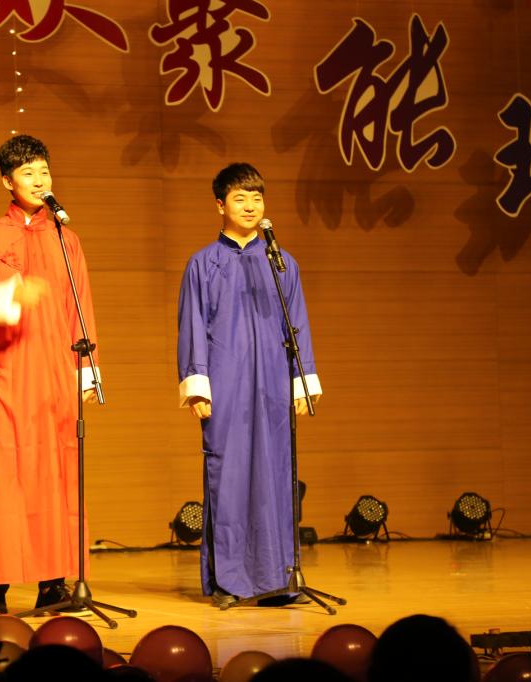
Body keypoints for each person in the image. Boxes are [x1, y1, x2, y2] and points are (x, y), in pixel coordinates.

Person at [0, 134, 100, 616]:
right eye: (28, 173)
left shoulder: (66, 239)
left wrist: (86, 371)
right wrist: (8, 294)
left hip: (56, 373)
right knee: (7, 477)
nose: (39, 180)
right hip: (10, 372)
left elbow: (80, 306)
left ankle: (54, 583)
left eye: (44, 171)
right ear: (7, 182)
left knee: (56, 477)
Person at [177, 162, 321, 607]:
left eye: (257, 198)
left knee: (276, 478)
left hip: (273, 383)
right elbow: (192, 326)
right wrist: (197, 386)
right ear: (220, 205)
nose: (250, 206)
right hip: (226, 383)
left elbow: (298, 323)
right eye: (240, 198)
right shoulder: (204, 264)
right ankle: (229, 582)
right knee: (229, 477)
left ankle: (278, 580)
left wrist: (302, 382)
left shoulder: (282, 262)